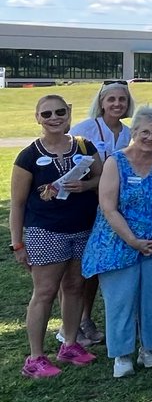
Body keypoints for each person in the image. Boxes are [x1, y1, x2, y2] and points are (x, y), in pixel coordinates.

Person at [82, 106, 152, 377]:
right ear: (134, 132)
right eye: (145, 132)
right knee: (121, 299)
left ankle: (150, 349)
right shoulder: (116, 162)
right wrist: (133, 240)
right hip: (117, 241)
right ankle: (122, 355)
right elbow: (108, 208)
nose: (150, 138)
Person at [10, 94, 102, 378]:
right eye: (47, 114)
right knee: (45, 292)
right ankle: (35, 357)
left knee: (75, 287)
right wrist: (17, 243)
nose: (54, 118)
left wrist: (85, 187)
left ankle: (70, 344)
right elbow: (17, 203)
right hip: (45, 231)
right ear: (37, 117)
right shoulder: (28, 156)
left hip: (83, 228)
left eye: (60, 112)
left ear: (69, 112)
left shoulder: (84, 146)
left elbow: (103, 177)